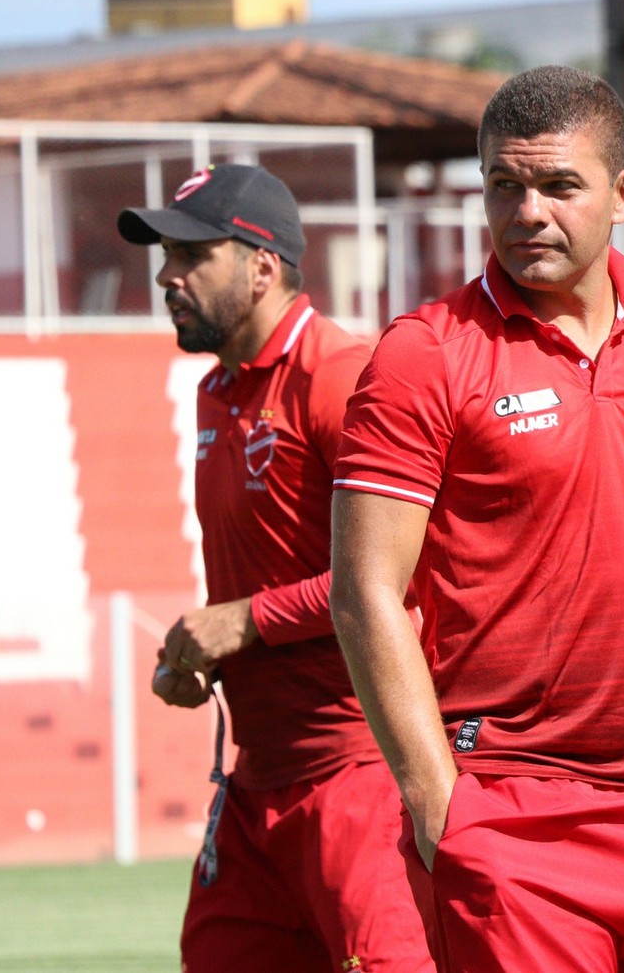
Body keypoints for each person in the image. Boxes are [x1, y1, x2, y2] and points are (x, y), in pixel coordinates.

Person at [328, 65, 624, 972]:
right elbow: (365, 590)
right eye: (503, 184)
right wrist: (437, 802)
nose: (526, 210)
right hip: (511, 815)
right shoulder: (424, 354)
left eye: (559, 185)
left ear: (623, 194)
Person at [117, 163, 432, 973]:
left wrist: (244, 622)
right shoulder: (215, 392)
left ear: (262, 266)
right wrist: (206, 649)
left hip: (360, 772)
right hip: (259, 784)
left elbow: (400, 575)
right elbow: (259, 578)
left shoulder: (345, 376)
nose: (166, 274)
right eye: (164, 255)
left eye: (191, 254)